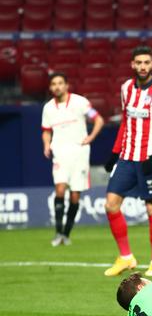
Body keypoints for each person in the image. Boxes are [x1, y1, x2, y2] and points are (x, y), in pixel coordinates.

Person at [103, 46, 152, 278]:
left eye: (146, 62)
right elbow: (124, 122)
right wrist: (114, 152)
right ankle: (126, 256)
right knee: (110, 204)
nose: (142, 66)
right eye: (138, 63)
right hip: (126, 157)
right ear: (132, 64)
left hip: (149, 158)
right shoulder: (126, 88)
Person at [41, 72, 104, 246]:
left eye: (60, 83)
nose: (57, 87)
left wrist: (90, 137)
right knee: (60, 189)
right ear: (50, 87)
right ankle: (58, 232)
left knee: (75, 195)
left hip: (79, 153)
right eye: (54, 84)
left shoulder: (80, 102)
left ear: (66, 85)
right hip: (60, 153)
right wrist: (46, 145)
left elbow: (98, 119)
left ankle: (66, 233)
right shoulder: (48, 108)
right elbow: (46, 130)